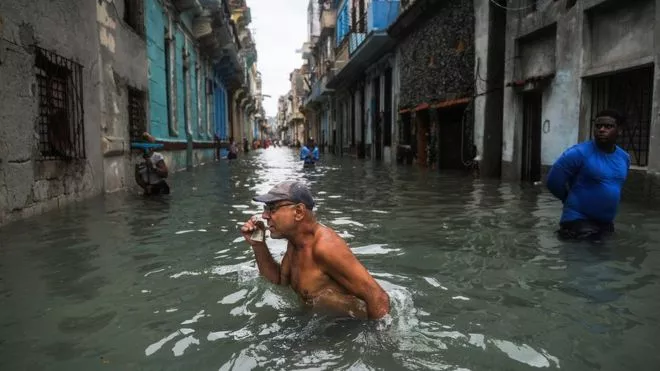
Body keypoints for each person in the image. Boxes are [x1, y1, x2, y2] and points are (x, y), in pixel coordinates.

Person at [241, 181, 390, 319]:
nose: (264, 216)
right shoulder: (295, 243)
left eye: (272, 209)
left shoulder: (325, 247)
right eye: (265, 209)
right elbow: (279, 281)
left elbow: (378, 298)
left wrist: (378, 343)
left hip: (347, 329)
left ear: (299, 212)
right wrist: (258, 245)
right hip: (318, 321)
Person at [546, 109, 630, 241]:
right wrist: (567, 199)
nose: (601, 130)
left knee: (606, 258)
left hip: (605, 223)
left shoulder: (624, 157)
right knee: (587, 259)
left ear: (619, 130)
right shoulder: (578, 153)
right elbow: (553, 181)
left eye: (608, 126)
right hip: (578, 220)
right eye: (598, 126)